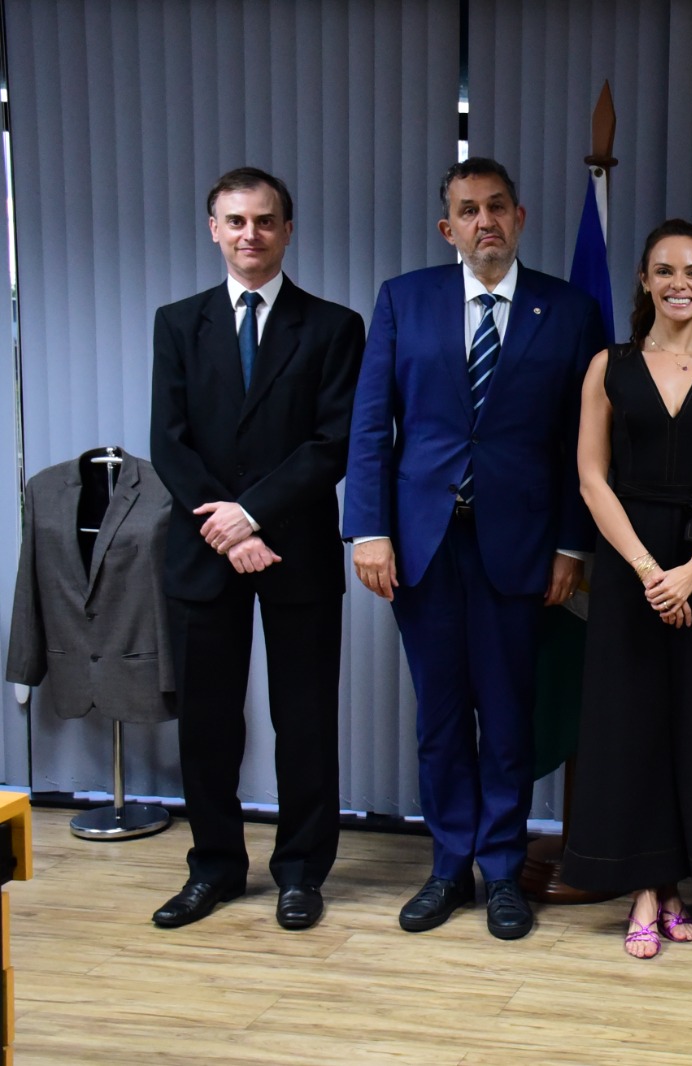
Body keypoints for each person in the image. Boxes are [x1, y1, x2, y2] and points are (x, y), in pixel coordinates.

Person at [343, 157, 605, 940]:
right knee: (443, 716)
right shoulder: (404, 300)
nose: (484, 222)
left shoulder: (569, 310)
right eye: (468, 210)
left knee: (511, 716)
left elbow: (579, 445)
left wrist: (572, 546)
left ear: (520, 218)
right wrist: (370, 528)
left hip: (522, 549)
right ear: (447, 226)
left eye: (497, 208)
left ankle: (501, 871)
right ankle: (448, 865)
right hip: (420, 546)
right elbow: (370, 426)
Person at [149, 167, 365, 931]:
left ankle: (301, 872)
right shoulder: (177, 323)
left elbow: (331, 443)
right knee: (209, 724)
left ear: (287, 229)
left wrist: (251, 515)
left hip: (293, 552)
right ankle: (213, 868)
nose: (251, 235)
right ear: (214, 228)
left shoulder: (335, 327)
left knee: (304, 721)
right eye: (236, 221)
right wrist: (226, 528)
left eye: (265, 221)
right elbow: (168, 446)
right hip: (205, 556)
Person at [561, 220, 692, 957]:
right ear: (643, 280)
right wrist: (646, 571)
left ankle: (677, 879)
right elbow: (590, 477)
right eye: (665, 269)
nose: (680, 283)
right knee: (629, 727)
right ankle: (646, 887)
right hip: (628, 567)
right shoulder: (608, 364)